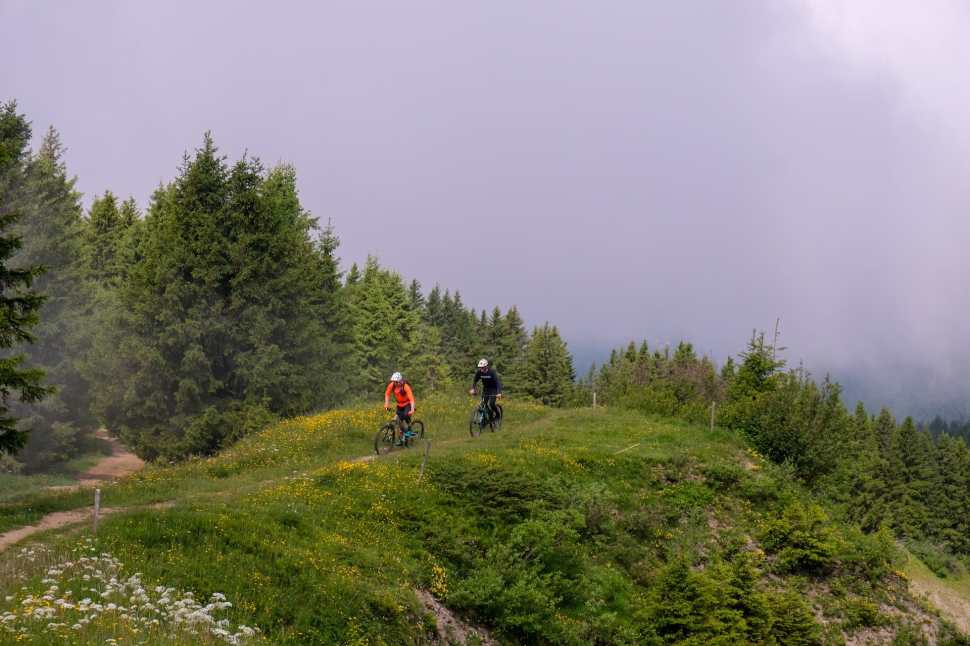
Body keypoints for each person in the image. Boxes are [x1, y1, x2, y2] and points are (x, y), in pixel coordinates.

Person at [384, 372, 416, 445]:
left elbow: (411, 399)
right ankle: (403, 437)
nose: (395, 383)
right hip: (399, 405)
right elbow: (387, 394)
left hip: (407, 404)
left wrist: (412, 409)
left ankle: (409, 432)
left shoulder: (405, 386)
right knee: (397, 420)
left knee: (405, 416)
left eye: (396, 382)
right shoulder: (392, 385)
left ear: (400, 381)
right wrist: (386, 404)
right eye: (393, 382)